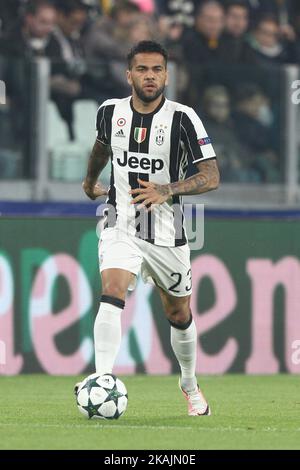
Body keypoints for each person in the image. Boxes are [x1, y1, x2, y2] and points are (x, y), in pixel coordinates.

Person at [78, 40, 220, 416]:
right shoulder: (110, 112)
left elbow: (211, 175)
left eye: (157, 69)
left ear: (167, 75)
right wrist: (91, 179)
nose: (150, 76)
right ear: (129, 75)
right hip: (120, 218)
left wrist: (168, 189)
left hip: (166, 229)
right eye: (142, 69)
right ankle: (102, 378)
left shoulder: (183, 118)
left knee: (178, 313)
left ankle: (189, 383)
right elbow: (101, 147)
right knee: (111, 289)